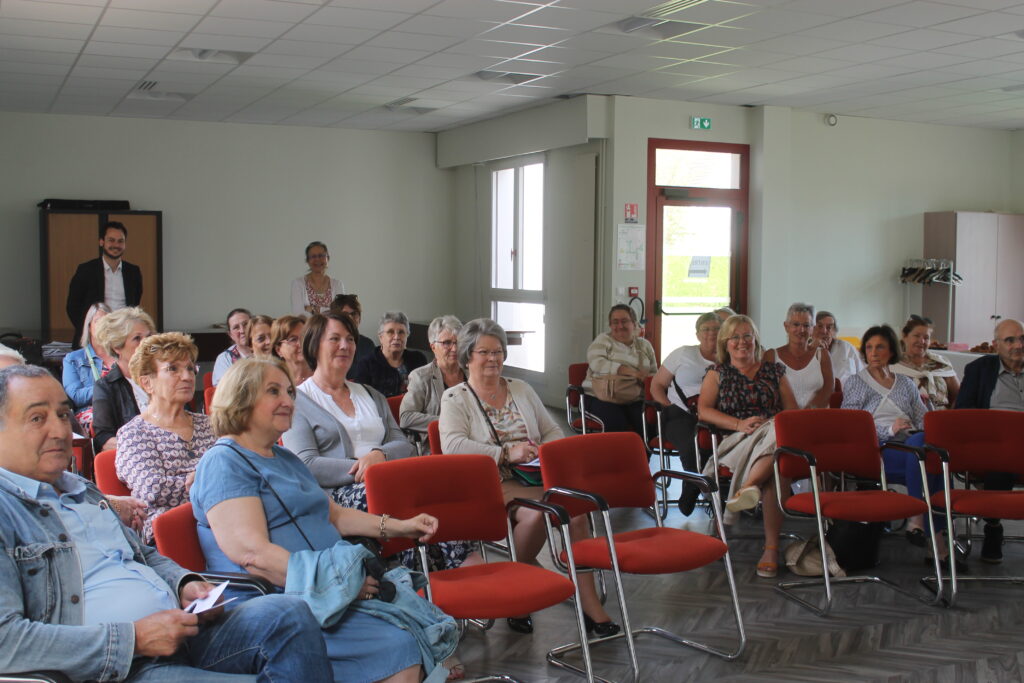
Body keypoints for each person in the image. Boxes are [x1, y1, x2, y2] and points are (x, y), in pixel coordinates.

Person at [0, 364, 333, 682]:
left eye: (62, 414)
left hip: (180, 628)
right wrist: (133, 640)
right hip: (121, 667)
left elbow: (142, 555)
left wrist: (184, 583)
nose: (60, 430)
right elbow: (6, 642)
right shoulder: (7, 510)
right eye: (37, 418)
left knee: (289, 614)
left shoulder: (81, 490)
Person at [191, 357, 438, 683]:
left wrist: (402, 525)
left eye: (290, 392)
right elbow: (253, 555)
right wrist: (337, 583)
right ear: (241, 398)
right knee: (400, 645)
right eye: (274, 391)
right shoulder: (224, 462)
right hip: (276, 604)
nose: (288, 401)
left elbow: (334, 516)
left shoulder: (285, 457)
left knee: (415, 630)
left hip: (324, 592)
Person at [439, 318, 618, 637]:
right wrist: (507, 453)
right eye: (484, 352)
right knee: (541, 516)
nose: (493, 358)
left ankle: (590, 605)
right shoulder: (455, 398)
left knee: (578, 512)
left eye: (499, 351)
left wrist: (542, 450)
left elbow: (551, 430)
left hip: (536, 478)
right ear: (468, 356)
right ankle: (517, 590)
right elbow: (452, 446)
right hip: (490, 483)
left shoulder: (520, 388)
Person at [697, 314, 798, 578]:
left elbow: (792, 412)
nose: (742, 342)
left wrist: (769, 426)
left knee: (779, 431)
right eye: (735, 337)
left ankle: (746, 488)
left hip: (772, 435)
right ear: (725, 343)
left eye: (747, 336)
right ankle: (771, 549)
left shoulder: (775, 371)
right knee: (778, 463)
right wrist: (740, 424)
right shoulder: (717, 373)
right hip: (736, 440)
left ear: (755, 340)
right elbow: (704, 411)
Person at [840, 325, 949, 563]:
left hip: (912, 444)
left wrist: (928, 410)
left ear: (891, 351)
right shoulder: (855, 382)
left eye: (879, 347)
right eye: (868, 347)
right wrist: (889, 429)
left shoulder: (906, 383)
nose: (873, 352)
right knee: (929, 460)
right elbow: (851, 426)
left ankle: (922, 524)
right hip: (880, 448)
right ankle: (936, 542)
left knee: (929, 453)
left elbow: (923, 420)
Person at [283, 312, 416, 507]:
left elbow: (403, 445)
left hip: (387, 479)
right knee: (398, 496)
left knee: (440, 488)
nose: (345, 346)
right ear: (314, 346)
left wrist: (379, 455)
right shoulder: (295, 401)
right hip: (335, 493)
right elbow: (305, 463)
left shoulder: (372, 395)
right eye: (335, 339)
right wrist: (368, 468)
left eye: (350, 339)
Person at [115, 332, 215, 544]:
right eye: (173, 369)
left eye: (190, 368)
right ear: (147, 383)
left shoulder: (210, 425)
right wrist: (210, 481)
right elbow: (152, 489)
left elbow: (236, 470)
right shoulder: (134, 433)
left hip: (221, 521)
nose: (187, 376)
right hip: (170, 536)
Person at [955, 318, 1024, 564]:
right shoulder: (980, 370)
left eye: (1022, 339)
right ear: (996, 345)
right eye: (1010, 340)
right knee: (999, 462)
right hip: (995, 444)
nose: (1018, 345)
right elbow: (963, 411)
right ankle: (993, 525)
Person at [649, 312, 719, 515]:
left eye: (716, 329)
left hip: (713, 414)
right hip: (679, 414)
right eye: (706, 329)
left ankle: (708, 490)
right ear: (697, 334)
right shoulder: (683, 354)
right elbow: (657, 385)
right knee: (693, 444)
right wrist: (667, 406)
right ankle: (693, 488)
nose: (711, 333)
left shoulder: (729, 357)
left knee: (713, 442)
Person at [582, 304, 657, 435]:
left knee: (647, 423)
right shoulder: (603, 340)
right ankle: (617, 456)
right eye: (615, 322)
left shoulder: (645, 346)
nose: (620, 326)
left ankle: (640, 456)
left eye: (624, 321)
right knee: (617, 423)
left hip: (634, 397)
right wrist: (632, 372)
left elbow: (653, 374)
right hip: (600, 397)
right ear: (610, 325)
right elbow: (597, 364)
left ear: (634, 323)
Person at [66, 221, 143, 349]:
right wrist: (89, 330)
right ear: (101, 242)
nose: (116, 245)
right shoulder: (86, 270)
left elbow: (135, 302)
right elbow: (72, 306)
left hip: (124, 338)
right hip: (94, 338)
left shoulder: (133, 272)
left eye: (120, 241)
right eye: (111, 240)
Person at [92, 306, 156, 452]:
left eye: (149, 337)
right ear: (117, 347)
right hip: (135, 462)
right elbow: (104, 439)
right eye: (137, 338)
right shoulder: (105, 386)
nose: (147, 344)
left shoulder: (164, 377)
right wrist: (147, 448)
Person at [400, 315, 464, 448]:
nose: (454, 348)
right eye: (447, 343)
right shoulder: (421, 376)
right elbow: (406, 418)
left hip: (471, 443)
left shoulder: (471, 374)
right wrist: (449, 422)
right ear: (433, 347)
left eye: (458, 342)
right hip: (437, 447)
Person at [763, 303, 833, 409]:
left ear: (812, 329)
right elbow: (767, 393)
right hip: (783, 419)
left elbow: (829, 389)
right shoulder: (771, 356)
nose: (801, 330)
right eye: (796, 324)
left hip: (817, 417)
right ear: (786, 326)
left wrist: (808, 413)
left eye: (806, 325)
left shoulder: (822, 355)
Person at [351, 311, 428, 398]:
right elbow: (361, 401)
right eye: (390, 332)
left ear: (407, 336)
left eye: (401, 332)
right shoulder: (366, 364)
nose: (396, 337)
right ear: (381, 337)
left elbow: (427, 393)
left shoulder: (418, 359)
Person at [892, 315, 959, 410]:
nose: (922, 341)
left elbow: (958, 397)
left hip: (942, 419)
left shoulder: (941, 363)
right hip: (906, 419)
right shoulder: (893, 364)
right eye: (916, 336)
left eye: (926, 337)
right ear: (905, 336)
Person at [62, 302, 113, 413]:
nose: (103, 326)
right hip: (92, 412)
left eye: (107, 322)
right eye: (98, 321)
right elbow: (77, 397)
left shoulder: (123, 355)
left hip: (124, 411)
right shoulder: (72, 359)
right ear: (89, 326)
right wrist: (110, 389)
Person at [291, 241, 344, 316]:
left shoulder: (338, 284)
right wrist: (329, 310)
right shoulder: (298, 284)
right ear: (307, 261)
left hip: (332, 328)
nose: (317, 259)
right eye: (313, 256)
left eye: (321, 255)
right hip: (307, 328)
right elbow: (299, 314)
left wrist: (314, 309)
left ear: (328, 258)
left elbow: (340, 314)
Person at [330, 293, 376, 377]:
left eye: (354, 314)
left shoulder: (368, 344)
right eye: (345, 314)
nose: (350, 318)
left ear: (360, 318)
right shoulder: (328, 343)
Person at [812, 310, 864, 384]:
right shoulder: (803, 351)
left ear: (834, 332)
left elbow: (863, 375)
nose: (824, 331)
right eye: (819, 326)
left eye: (829, 327)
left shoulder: (847, 347)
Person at [212, 308, 252, 385]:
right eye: (236, 327)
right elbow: (224, 391)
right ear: (230, 335)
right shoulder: (224, 359)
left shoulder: (266, 351)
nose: (242, 330)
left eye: (246, 324)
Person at [272, 314, 311, 385]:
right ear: (278, 350)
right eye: (293, 339)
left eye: (304, 337)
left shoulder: (323, 375)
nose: (301, 344)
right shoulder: (276, 382)